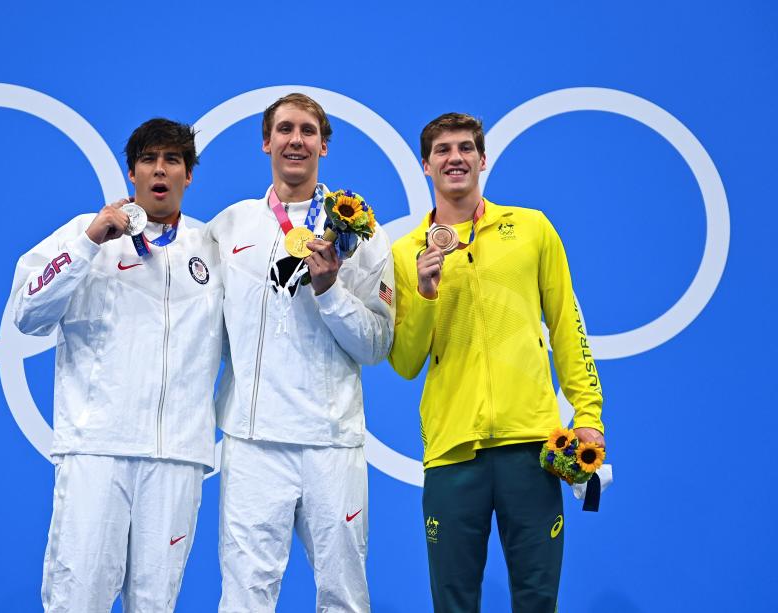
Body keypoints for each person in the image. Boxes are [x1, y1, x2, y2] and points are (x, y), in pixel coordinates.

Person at [388, 113, 606, 613]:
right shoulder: (404, 253)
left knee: (537, 600)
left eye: (465, 148)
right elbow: (403, 361)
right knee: (453, 603)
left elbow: (568, 328)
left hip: (532, 446)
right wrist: (424, 293)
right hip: (453, 453)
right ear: (425, 165)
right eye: (442, 150)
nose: (455, 158)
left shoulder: (531, 228)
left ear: (482, 160)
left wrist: (588, 417)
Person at [10, 118, 222, 613]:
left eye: (172, 159)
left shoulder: (212, 248)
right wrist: (87, 244)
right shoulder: (87, 234)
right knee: (77, 598)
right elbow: (26, 313)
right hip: (98, 450)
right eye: (149, 159)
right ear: (132, 173)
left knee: (155, 604)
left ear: (188, 175)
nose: (160, 169)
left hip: (178, 456)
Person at [206, 93, 395, 612]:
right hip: (252, 443)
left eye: (308, 131)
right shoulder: (230, 227)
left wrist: (331, 290)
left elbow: (378, 344)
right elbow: (201, 332)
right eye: (285, 129)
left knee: (344, 598)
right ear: (267, 141)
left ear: (324, 146)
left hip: (330, 444)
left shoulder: (362, 231)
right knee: (244, 597)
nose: (296, 140)